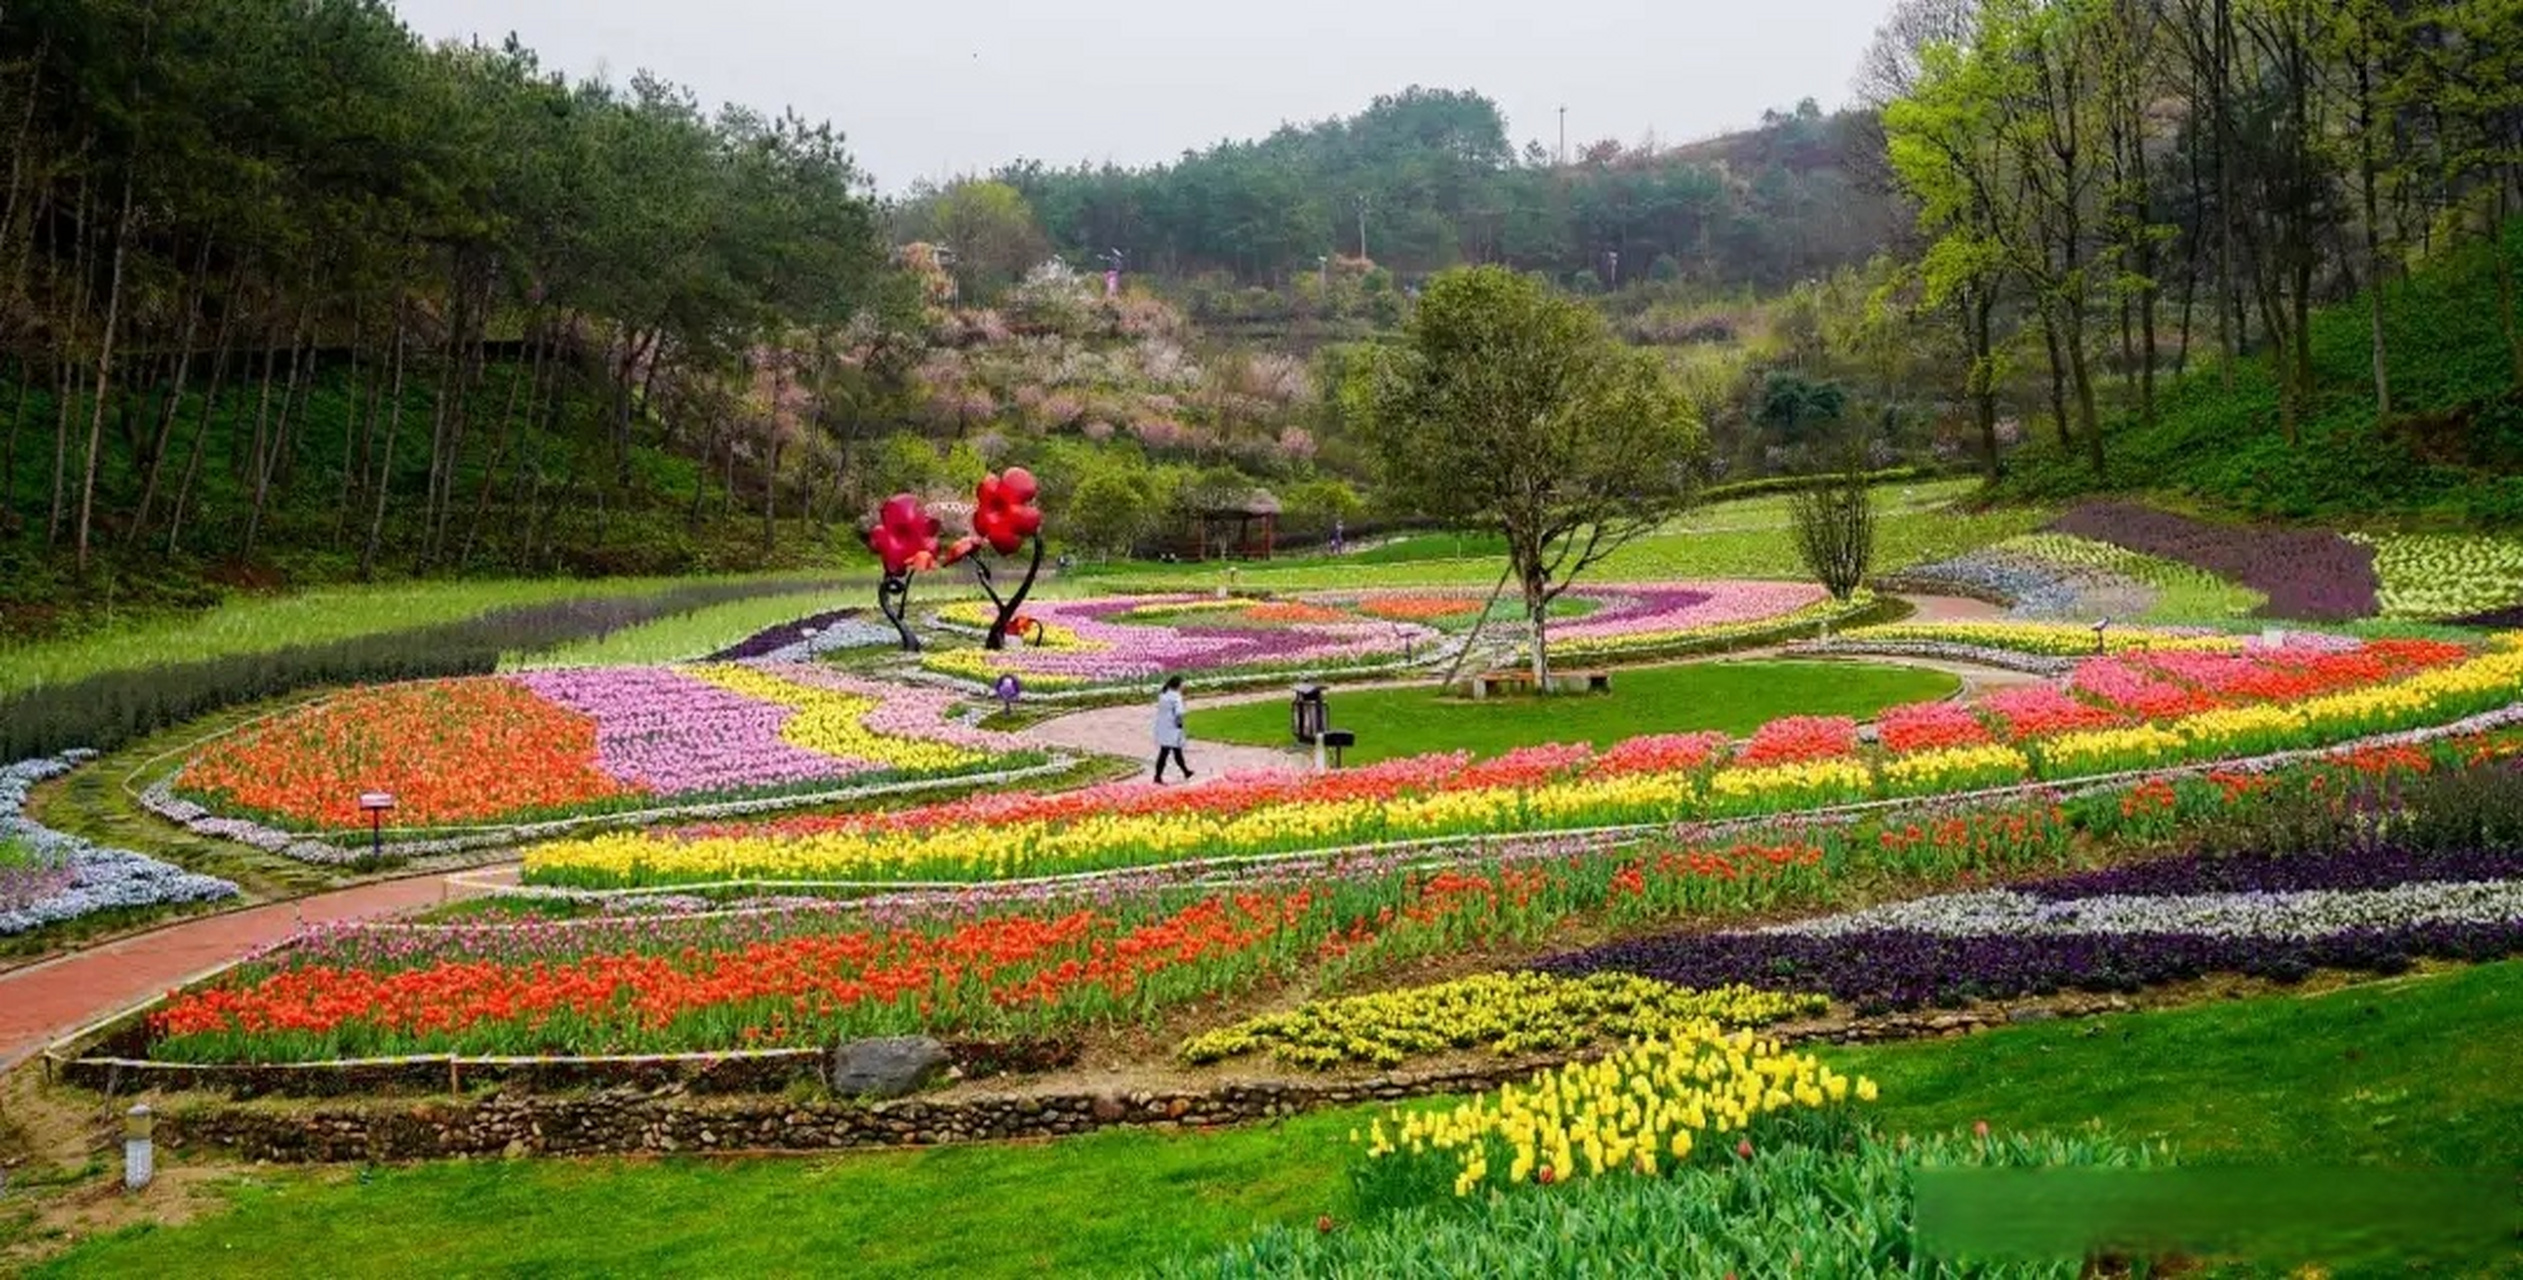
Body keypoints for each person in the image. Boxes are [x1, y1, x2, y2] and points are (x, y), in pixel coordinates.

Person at [1152, 675, 1193, 783]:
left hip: (1162, 725)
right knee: (1166, 752)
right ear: (1178, 684)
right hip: (1173, 726)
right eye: (1182, 683)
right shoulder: (1176, 696)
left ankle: (1185, 771)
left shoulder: (1163, 694)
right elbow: (1179, 713)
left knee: (1174, 750)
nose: (1184, 685)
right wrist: (1179, 724)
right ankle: (1157, 776)